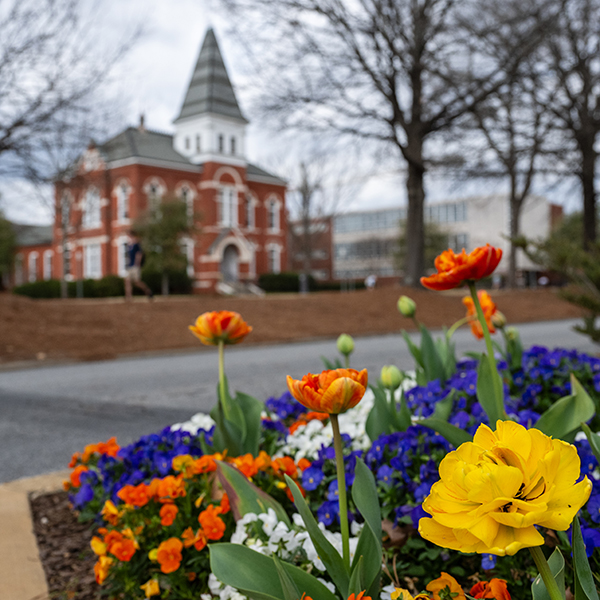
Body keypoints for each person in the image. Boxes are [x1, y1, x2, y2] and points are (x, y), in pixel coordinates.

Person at [125, 232, 153, 300]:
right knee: (127, 281)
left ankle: (148, 291)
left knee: (137, 282)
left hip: (135, 266)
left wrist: (137, 263)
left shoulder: (136, 245)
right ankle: (128, 297)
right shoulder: (129, 246)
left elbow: (139, 254)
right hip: (129, 266)